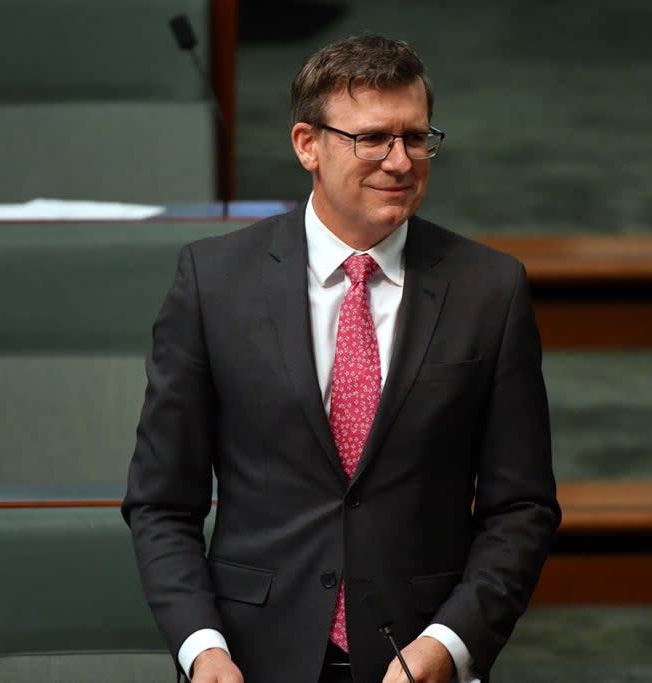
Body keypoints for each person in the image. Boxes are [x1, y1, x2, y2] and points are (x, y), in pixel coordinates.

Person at [122, 34, 560, 683]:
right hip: (253, 657)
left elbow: (521, 508)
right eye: (373, 138)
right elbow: (162, 501)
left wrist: (450, 641)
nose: (401, 161)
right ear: (308, 144)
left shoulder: (488, 291)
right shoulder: (214, 283)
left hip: (419, 656)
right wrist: (202, 647)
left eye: (417, 137)